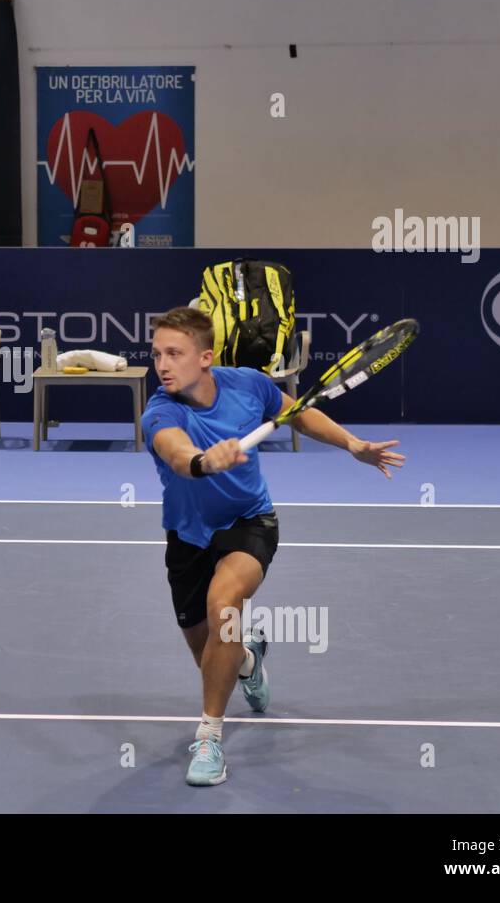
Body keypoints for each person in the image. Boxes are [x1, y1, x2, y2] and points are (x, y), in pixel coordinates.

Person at [142, 306, 404, 786]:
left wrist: (351, 444)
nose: (162, 364)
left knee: (224, 605)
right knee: (212, 660)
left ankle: (209, 738)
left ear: (205, 357)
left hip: (249, 521)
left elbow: (298, 415)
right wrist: (204, 461)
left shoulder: (247, 384)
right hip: (187, 535)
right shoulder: (160, 410)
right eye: (157, 353)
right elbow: (177, 455)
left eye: (174, 353)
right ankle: (247, 658)